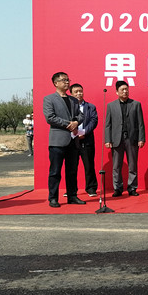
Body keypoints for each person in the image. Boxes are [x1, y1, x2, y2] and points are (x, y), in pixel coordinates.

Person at [42, 72, 85, 208]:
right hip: (58, 141)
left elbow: (80, 115)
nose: (67, 82)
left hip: (73, 140)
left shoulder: (73, 100)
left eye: (68, 80)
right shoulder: (49, 99)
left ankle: (72, 196)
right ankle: (53, 198)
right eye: (64, 80)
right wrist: (69, 124)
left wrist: (76, 122)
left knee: (72, 171)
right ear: (56, 83)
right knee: (55, 171)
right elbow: (50, 117)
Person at [104, 80, 145, 197]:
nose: (125, 91)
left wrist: (141, 138)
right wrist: (107, 140)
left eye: (126, 89)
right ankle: (117, 188)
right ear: (117, 92)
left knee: (132, 165)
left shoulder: (136, 104)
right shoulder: (111, 106)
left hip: (132, 139)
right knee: (116, 166)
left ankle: (132, 188)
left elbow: (140, 123)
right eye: (122, 89)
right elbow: (108, 124)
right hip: (116, 139)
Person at [69, 83, 99, 197]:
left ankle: (91, 188)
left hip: (87, 139)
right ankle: (71, 189)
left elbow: (93, 121)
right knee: (72, 166)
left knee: (89, 165)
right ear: (71, 94)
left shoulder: (91, 107)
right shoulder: (68, 107)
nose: (79, 94)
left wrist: (83, 132)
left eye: (80, 91)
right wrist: (74, 132)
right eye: (76, 92)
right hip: (72, 140)